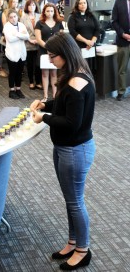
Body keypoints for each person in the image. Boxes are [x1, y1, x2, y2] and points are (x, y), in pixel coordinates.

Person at [30, 32, 95, 271]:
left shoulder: (77, 82)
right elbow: (63, 105)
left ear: (64, 54)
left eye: (52, 55)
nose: (50, 59)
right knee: (71, 201)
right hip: (65, 148)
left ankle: (83, 250)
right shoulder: (72, 75)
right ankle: (73, 242)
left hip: (75, 150)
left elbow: (71, 122)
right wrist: (45, 104)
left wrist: (43, 117)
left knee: (75, 202)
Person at [35, 3, 64, 101]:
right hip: (44, 51)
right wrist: (48, 47)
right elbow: (38, 39)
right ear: (44, 12)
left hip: (55, 51)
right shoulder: (39, 23)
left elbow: (61, 37)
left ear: (55, 11)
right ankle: (45, 96)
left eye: (52, 11)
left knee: (54, 74)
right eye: (47, 11)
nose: (49, 13)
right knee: (44, 74)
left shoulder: (59, 22)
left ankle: (55, 95)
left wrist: (54, 48)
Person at [67, 0, 100, 73]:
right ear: (77, 5)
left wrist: (92, 42)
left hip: (91, 46)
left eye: (84, 3)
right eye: (80, 3)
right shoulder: (72, 17)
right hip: (79, 47)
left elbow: (97, 29)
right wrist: (86, 41)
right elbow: (72, 32)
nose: (83, 5)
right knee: (80, 69)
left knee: (90, 69)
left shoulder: (91, 16)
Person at [3, 9, 29, 99]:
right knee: (12, 72)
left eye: (15, 16)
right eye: (11, 17)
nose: (13, 19)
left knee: (19, 72)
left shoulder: (21, 25)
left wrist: (16, 34)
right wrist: (21, 35)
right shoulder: (6, 26)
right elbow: (10, 39)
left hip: (21, 52)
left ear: (17, 16)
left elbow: (27, 36)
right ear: (8, 18)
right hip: (11, 53)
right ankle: (12, 90)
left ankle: (18, 89)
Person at [112, 0, 130, 101]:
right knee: (122, 69)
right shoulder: (118, 3)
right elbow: (114, 21)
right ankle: (121, 91)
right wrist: (123, 34)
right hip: (123, 41)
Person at [20, 0, 42, 90]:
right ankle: (31, 82)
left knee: (38, 63)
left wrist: (38, 39)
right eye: (29, 5)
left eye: (33, 5)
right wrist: (29, 40)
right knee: (30, 64)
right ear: (27, 7)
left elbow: (42, 29)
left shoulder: (40, 16)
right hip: (28, 43)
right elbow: (22, 31)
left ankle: (38, 82)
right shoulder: (23, 17)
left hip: (39, 42)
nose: (31, 7)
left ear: (36, 6)